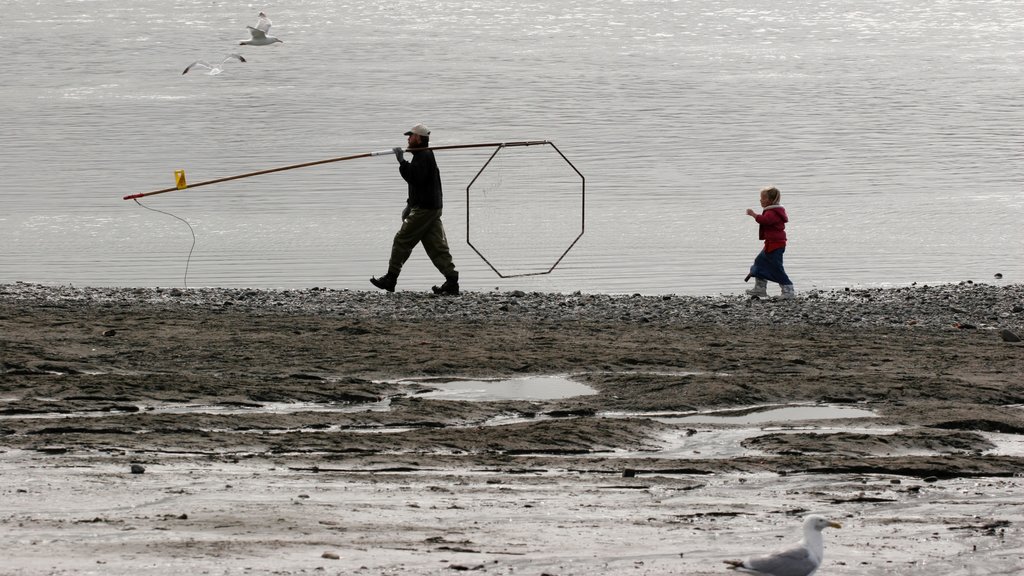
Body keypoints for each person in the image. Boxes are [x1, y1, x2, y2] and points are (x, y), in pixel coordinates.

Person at [370, 123, 460, 295]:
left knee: (402, 240)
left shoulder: (424, 156)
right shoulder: (423, 155)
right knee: (436, 246)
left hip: (425, 209)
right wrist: (409, 204)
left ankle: (391, 278)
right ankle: (452, 281)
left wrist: (401, 162)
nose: (408, 139)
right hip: (431, 207)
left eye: (410, 136)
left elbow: (414, 177)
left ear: (418, 138)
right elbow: (419, 185)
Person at [744, 186, 795, 299]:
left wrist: (754, 214)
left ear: (770, 200)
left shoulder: (773, 212)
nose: (760, 200)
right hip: (771, 243)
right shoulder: (772, 210)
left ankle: (788, 290)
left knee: (776, 267)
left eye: (763, 198)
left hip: (776, 244)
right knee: (759, 262)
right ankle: (760, 288)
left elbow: (765, 220)